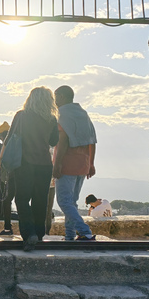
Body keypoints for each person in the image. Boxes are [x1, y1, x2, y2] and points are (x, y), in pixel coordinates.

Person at [2, 87, 60, 251]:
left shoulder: (21, 116)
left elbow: (9, 138)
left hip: (25, 164)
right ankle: (39, 234)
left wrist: (2, 161)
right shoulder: (51, 119)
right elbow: (54, 141)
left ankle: (29, 235)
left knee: (22, 199)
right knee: (40, 200)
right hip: (44, 165)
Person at [52, 85, 97, 241]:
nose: (54, 100)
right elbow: (93, 140)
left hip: (67, 163)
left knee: (64, 202)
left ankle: (84, 231)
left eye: (55, 96)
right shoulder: (82, 113)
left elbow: (62, 140)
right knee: (72, 202)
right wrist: (91, 163)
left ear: (62, 97)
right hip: (83, 164)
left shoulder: (62, 114)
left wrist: (57, 165)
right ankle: (70, 235)